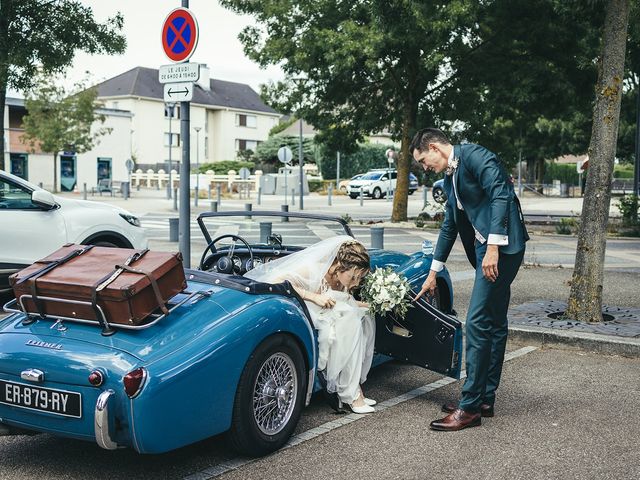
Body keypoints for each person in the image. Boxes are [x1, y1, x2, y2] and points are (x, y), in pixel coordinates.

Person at [411, 128, 529, 431]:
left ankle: (470, 408)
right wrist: (433, 273)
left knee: (477, 322)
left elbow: (501, 194)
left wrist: (493, 247)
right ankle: (484, 398)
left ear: (435, 148)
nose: (424, 168)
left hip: (503, 248)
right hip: (484, 250)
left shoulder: (476, 156)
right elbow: (450, 225)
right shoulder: (449, 178)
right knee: (493, 321)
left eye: (424, 161)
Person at [244, 235, 377, 414]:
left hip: (326, 306)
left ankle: (353, 387)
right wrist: (313, 296)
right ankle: (351, 395)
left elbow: (346, 299)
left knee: (365, 315)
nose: (356, 283)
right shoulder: (313, 269)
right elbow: (276, 281)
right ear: (339, 267)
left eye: (359, 278)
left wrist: (373, 305)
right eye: (353, 277)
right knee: (349, 317)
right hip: (304, 305)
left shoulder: (341, 277)